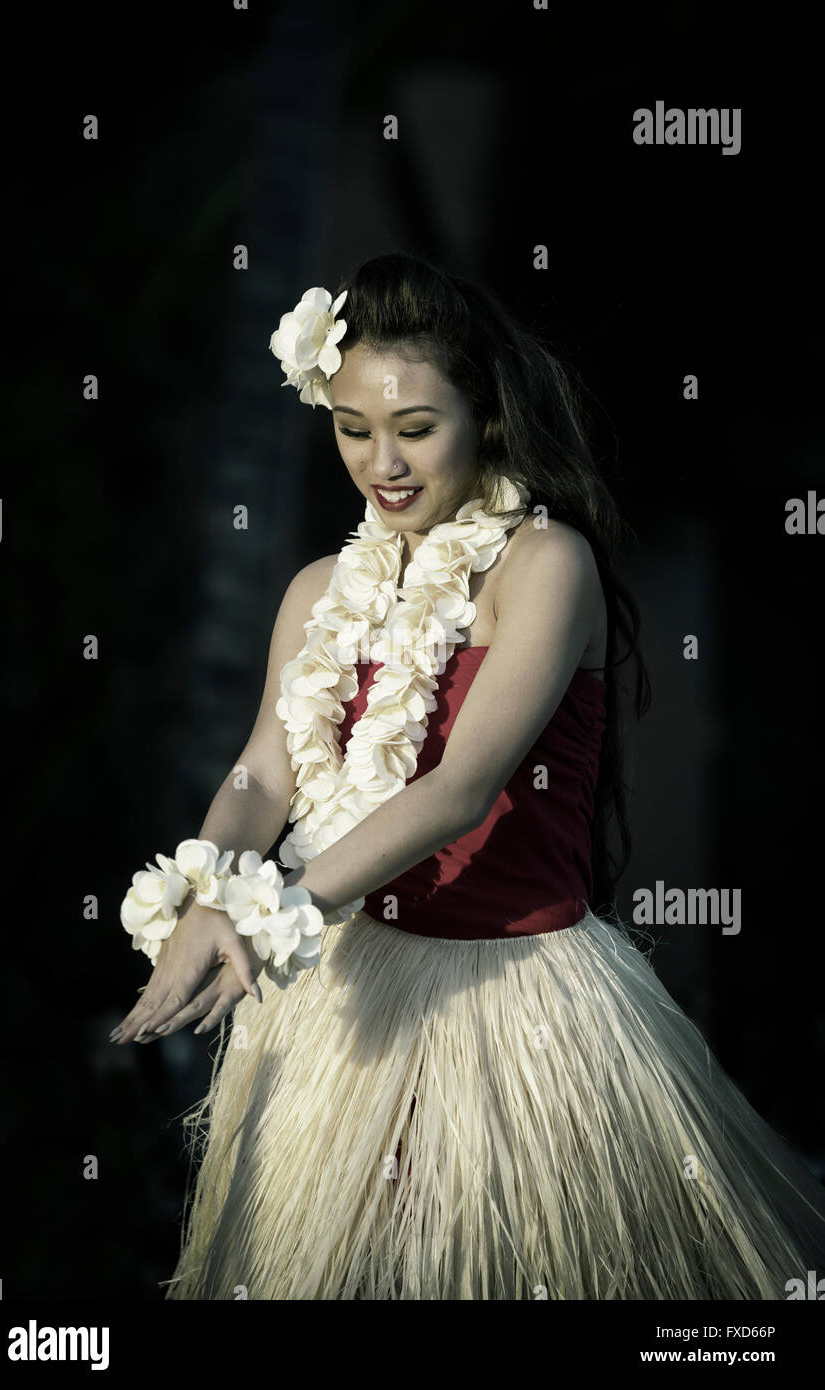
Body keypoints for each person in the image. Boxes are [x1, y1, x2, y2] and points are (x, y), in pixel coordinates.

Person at [109, 252, 825, 1300]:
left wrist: (272, 918)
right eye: (355, 430)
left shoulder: (545, 566)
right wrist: (210, 891)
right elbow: (264, 771)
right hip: (348, 1001)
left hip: (515, 1002)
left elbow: (458, 786)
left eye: (415, 429)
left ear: (484, 414)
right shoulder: (319, 590)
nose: (382, 462)